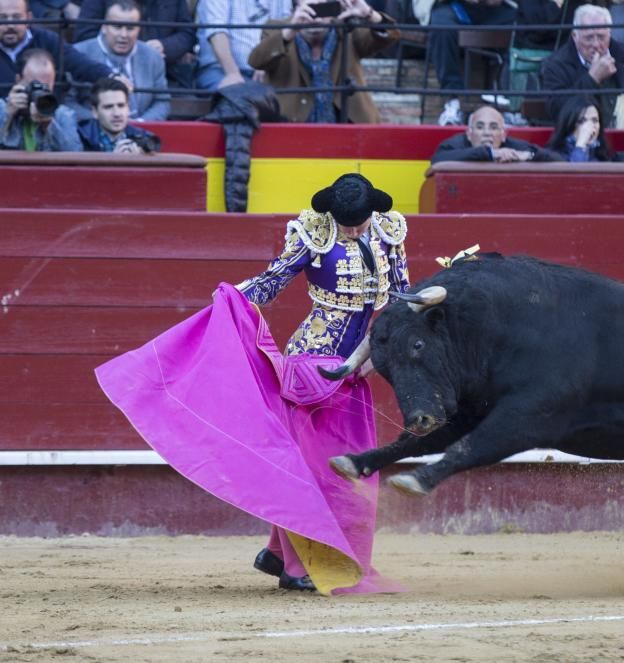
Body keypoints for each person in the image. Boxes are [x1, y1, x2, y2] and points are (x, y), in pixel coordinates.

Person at [96, 173, 408, 595]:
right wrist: (234, 297)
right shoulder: (313, 234)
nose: (354, 229)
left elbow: (403, 297)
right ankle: (299, 565)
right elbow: (274, 279)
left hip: (356, 370)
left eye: (360, 222)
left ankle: (279, 552)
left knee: (342, 470)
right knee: (318, 471)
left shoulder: (388, 231)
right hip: (313, 364)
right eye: (347, 222)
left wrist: (386, 349)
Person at [248, 0, 399, 124]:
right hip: (293, 127)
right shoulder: (277, 27)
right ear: (297, 6)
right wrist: (290, 31)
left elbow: (389, 36)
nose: (316, 18)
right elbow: (257, 61)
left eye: (323, 9)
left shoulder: (347, 28)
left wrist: (370, 14)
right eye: (312, 9)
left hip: (347, 124)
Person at [540, 4, 624, 124]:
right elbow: (556, 110)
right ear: (574, 36)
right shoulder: (556, 64)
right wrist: (592, 79)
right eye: (589, 38)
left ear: (610, 33)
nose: (596, 44)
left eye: (601, 37)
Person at [71, 0, 170, 122]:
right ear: (104, 27)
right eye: (117, 27)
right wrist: (102, 123)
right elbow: (68, 103)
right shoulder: (79, 53)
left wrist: (140, 124)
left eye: (130, 28)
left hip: (142, 132)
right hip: (91, 132)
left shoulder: (153, 57)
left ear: (139, 30)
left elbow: (162, 103)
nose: (123, 35)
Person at [429, 0, 516, 125]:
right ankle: (453, 101)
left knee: (520, 25)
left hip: (493, 10)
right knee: (442, 28)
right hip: (452, 6)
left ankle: (510, 104)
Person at [74, 0, 197, 88]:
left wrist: (165, 46)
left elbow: (187, 33)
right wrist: (133, 49)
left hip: (165, 74)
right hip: (103, 74)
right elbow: (84, 35)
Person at [0, 0, 111, 97]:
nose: (10, 24)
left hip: (48, 112)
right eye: (3, 18)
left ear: (29, 18)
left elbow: (80, 64)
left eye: (17, 17)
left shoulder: (46, 39)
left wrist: (110, 75)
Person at [195, 0, 291, 90]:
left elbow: (284, 29)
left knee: (290, 97)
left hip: (268, 70)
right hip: (221, 70)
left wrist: (265, 62)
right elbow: (216, 32)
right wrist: (232, 73)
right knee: (241, 101)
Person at [0, 48, 82, 150]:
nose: (40, 92)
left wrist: (48, 125)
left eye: (46, 86)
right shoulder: (2, 107)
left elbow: (75, 155)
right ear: (18, 79)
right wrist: (7, 116)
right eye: (35, 85)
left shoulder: (63, 115)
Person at [431, 104, 564, 163]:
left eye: (494, 127)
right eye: (480, 127)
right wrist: (490, 153)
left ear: (503, 134)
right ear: (469, 133)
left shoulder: (510, 145)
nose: (487, 133)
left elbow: (559, 160)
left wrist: (528, 156)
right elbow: (437, 160)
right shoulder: (454, 144)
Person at [77, 76, 159, 152]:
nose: (117, 114)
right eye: (108, 107)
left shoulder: (146, 138)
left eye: (121, 106)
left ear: (128, 108)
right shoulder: (79, 138)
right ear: (95, 112)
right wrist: (113, 161)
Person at [544, 94, 610, 161]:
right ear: (569, 123)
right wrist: (581, 145)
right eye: (582, 121)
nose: (589, 127)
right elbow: (575, 170)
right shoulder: (555, 156)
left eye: (594, 120)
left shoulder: (602, 154)